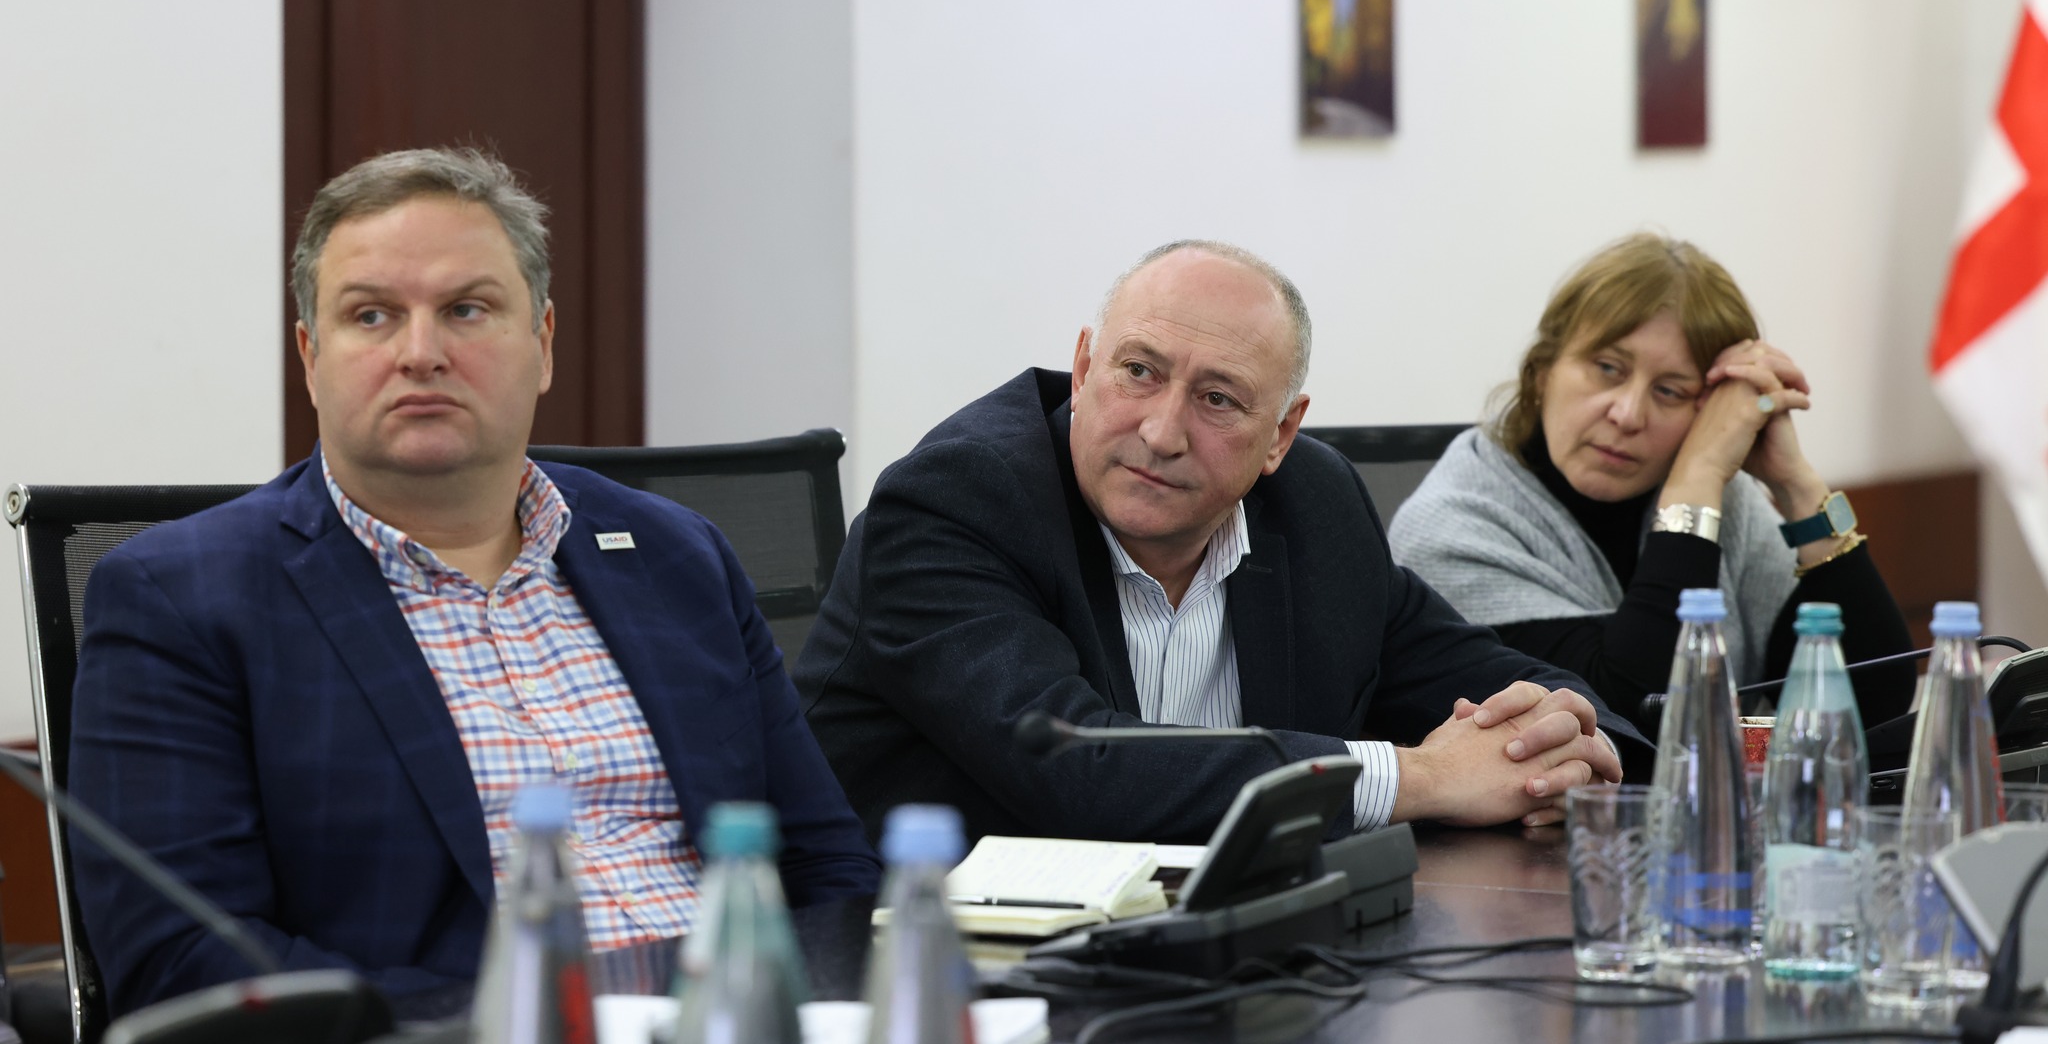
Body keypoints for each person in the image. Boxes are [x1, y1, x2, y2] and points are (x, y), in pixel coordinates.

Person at [68, 148, 879, 1015]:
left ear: (544, 344)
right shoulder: (181, 601)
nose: (421, 353)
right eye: (372, 315)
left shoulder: (676, 555)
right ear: (310, 356)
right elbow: (182, 958)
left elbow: (826, 864)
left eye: (466, 309)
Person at [795, 240, 1650, 848]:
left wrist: (1572, 747)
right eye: (1139, 372)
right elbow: (1077, 767)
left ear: (1280, 435)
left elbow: (1483, 671)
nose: (1162, 432)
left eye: (1218, 399)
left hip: (1220, 954)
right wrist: (1422, 777)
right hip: (917, 954)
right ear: (1084, 367)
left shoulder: (1315, 506)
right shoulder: (956, 502)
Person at [1389, 233, 1915, 735]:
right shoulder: (1451, 527)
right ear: (1543, 371)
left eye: (1669, 391)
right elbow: (1631, 725)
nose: (1627, 413)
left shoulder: (1720, 499)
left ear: (1706, 413)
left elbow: (1873, 703)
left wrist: (1795, 484)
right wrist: (1696, 482)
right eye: (1607, 368)